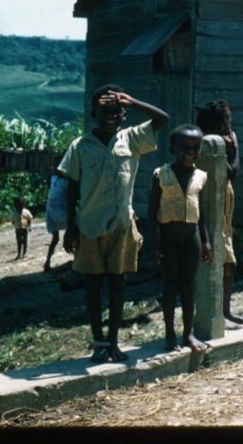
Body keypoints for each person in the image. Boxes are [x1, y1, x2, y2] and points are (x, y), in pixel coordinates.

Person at [58, 84, 168, 363]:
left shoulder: (132, 139)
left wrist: (131, 100)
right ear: (94, 113)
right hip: (89, 227)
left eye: (117, 111)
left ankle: (114, 341)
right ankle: (98, 342)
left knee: (118, 284)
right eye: (105, 110)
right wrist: (70, 227)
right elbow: (71, 187)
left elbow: (162, 119)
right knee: (93, 284)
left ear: (123, 115)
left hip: (122, 225)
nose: (111, 115)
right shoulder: (80, 146)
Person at [148, 124, 212, 353]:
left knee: (188, 284)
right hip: (168, 237)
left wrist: (205, 240)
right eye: (184, 147)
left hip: (191, 236)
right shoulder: (161, 175)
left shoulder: (201, 177)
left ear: (201, 152)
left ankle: (188, 334)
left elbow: (200, 211)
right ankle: (169, 335)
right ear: (172, 149)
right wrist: (154, 243)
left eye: (195, 148)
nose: (190, 152)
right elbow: (152, 211)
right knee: (170, 284)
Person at [194, 100, 243, 330]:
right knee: (222, 262)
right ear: (219, 124)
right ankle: (217, 313)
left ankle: (225, 311)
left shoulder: (216, 144)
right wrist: (235, 148)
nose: (231, 124)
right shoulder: (211, 146)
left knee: (229, 262)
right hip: (212, 208)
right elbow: (233, 172)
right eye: (228, 119)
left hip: (223, 207)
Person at [43, 171, 69, 272]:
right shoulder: (67, 181)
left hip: (50, 208)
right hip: (60, 209)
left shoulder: (53, 177)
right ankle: (77, 259)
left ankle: (47, 262)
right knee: (75, 228)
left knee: (55, 239)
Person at [9, 196, 33, 260]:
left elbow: (29, 219)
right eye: (18, 205)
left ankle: (24, 253)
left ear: (23, 204)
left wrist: (29, 226)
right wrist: (16, 224)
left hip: (24, 229)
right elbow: (12, 220)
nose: (20, 207)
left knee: (25, 241)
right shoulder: (14, 213)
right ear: (15, 205)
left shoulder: (26, 212)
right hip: (18, 230)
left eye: (21, 205)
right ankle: (19, 254)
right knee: (19, 242)